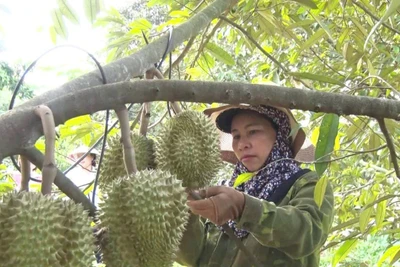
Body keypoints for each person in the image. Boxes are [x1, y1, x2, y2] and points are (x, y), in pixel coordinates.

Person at [176, 104, 335, 267]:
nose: (241, 144)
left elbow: (307, 235)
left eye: (253, 132)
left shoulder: (307, 184)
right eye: (236, 136)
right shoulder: (225, 190)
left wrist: (244, 207)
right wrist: (185, 211)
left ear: (280, 134)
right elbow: (194, 257)